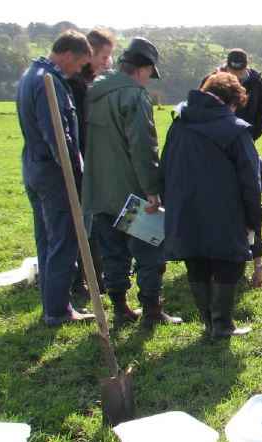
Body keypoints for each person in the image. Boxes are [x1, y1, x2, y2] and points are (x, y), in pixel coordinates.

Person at [84, 37, 182, 327]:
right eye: (149, 73)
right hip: (131, 191)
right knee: (149, 250)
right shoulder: (134, 96)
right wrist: (152, 190)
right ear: (143, 68)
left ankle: (119, 308)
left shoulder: (93, 91)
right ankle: (152, 309)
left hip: (98, 190)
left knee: (112, 252)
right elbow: (142, 147)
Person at [161, 73, 261, 339]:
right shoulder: (235, 130)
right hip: (226, 210)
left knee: (196, 262)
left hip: (184, 207)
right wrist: (253, 217)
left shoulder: (178, 125)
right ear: (231, 102)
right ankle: (222, 324)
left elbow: (165, 167)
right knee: (230, 263)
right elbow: (250, 179)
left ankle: (209, 322)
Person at [16, 30, 96, 326]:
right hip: (53, 174)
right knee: (63, 239)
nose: (78, 71)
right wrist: (75, 174)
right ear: (68, 55)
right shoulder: (47, 82)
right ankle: (59, 310)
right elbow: (58, 136)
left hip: (34, 168)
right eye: (79, 64)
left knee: (46, 240)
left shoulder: (31, 75)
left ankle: (51, 304)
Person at [202, 49, 262, 287]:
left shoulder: (257, 83)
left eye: (240, 72)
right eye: (233, 71)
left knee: (251, 200)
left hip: (245, 142)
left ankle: (254, 262)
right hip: (215, 149)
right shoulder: (211, 80)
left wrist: (247, 138)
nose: (237, 76)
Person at [67, 28, 116, 297]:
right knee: (83, 223)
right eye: (104, 56)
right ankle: (81, 279)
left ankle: (96, 275)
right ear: (90, 54)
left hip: (95, 161)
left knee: (94, 222)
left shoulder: (94, 83)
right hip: (83, 161)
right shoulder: (77, 86)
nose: (108, 62)